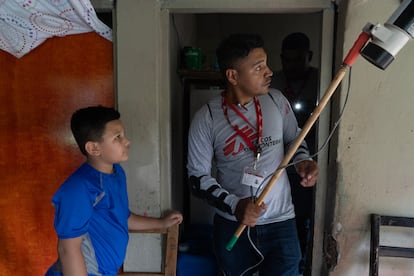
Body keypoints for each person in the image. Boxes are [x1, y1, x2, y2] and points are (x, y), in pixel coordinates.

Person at [187, 33, 318, 276]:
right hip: (233, 224)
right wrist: (235, 205)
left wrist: (303, 161)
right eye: (259, 67)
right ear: (233, 76)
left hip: (282, 222)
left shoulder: (277, 101)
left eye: (266, 64)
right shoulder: (207, 117)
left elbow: (294, 140)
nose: (269, 72)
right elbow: (197, 179)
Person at [45, 106, 183, 276]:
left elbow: (123, 218)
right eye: (118, 137)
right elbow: (68, 249)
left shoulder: (117, 174)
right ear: (94, 148)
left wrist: (161, 223)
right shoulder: (79, 188)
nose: (127, 141)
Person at [271, 32, 319, 275]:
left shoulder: (320, 80)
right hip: (277, 162)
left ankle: (303, 264)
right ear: (281, 59)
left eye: (298, 59)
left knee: (305, 215)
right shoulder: (274, 84)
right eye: (287, 60)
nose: (292, 65)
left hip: (309, 159)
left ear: (308, 56)